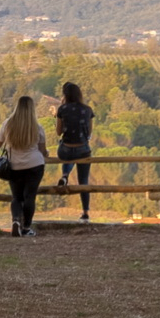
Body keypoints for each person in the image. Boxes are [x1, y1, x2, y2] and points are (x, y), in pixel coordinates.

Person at [0, 95, 47, 236]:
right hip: (35, 165)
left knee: (16, 197)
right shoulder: (37, 127)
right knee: (29, 197)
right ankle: (26, 228)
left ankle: (15, 221)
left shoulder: (8, 124)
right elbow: (42, 150)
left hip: (14, 166)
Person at [54, 81, 95, 220]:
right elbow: (89, 133)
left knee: (66, 151)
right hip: (83, 150)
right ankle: (85, 212)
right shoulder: (88, 110)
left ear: (65, 95)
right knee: (83, 180)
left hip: (66, 150)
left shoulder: (62, 109)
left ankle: (65, 175)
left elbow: (58, 132)